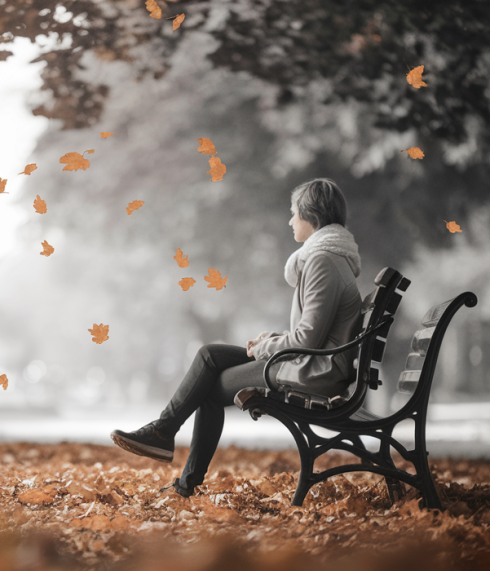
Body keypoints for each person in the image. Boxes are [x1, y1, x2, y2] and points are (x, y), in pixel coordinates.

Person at [110, 177, 364, 497]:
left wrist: (266, 347)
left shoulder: (323, 261)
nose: (290, 221)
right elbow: (317, 332)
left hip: (314, 372)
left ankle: (173, 456)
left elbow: (308, 340)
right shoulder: (330, 257)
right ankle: (164, 435)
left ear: (310, 214)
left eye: (293, 213)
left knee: (208, 388)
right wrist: (271, 339)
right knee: (210, 355)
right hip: (313, 364)